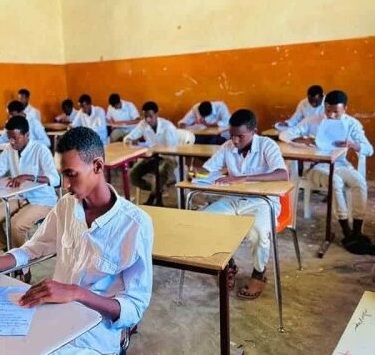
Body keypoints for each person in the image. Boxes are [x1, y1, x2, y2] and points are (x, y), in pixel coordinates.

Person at [0, 127, 153, 354]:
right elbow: (35, 247)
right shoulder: (66, 205)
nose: (65, 184)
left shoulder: (134, 225)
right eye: (62, 174)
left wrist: (77, 293)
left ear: (97, 166)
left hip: (93, 336)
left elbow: (134, 308)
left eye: (71, 174)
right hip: (52, 320)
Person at [198, 109, 288, 300]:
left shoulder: (266, 145)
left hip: (263, 200)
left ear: (254, 131)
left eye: (240, 136)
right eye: (232, 135)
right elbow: (207, 169)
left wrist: (244, 178)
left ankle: (259, 273)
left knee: (258, 231)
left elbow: (282, 174)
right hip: (234, 199)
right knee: (204, 220)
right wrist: (202, 175)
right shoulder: (227, 146)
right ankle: (228, 264)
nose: (235, 140)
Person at [279, 90, 373, 246]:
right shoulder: (313, 121)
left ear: (345, 109)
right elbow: (284, 135)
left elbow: (369, 150)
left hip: (340, 164)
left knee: (360, 182)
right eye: (328, 110)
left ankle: (357, 231)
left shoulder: (352, 124)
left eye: (336, 112)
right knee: (334, 181)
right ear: (324, 107)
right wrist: (301, 140)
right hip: (316, 167)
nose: (331, 115)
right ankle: (345, 230)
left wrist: (352, 144)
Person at [0, 116, 59, 282]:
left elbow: (55, 179)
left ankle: (24, 267)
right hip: (20, 196)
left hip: (42, 200)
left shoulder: (40, 149)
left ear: (26, 135)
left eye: (15, 138)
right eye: (9, 138)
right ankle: (11, 258)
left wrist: (28, 176)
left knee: (16, 225)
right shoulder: (9, 150)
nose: (12, 142)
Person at [124, 101, 185, 206]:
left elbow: (172, 150)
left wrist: (155, 150)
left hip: (169, 158)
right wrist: (131, 141)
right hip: (152, 157)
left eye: (150, 116)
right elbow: (127, 138)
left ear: (157, 114)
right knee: (133, 175)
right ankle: (158, 190)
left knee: (160, 172)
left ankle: (152, 198)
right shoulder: (143, 124)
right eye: (145, 116)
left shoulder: (168, 127)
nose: (148, 119)